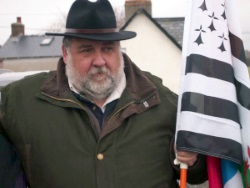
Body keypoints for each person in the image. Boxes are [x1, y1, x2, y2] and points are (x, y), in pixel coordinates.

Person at [0, 0, 207, 187]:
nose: (99, 61)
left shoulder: (162, 103)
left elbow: (202, 172)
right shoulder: (23, 101)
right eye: (87, 50)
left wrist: (195, 160)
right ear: (65, 54)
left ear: (119, 50)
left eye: (107, 49)